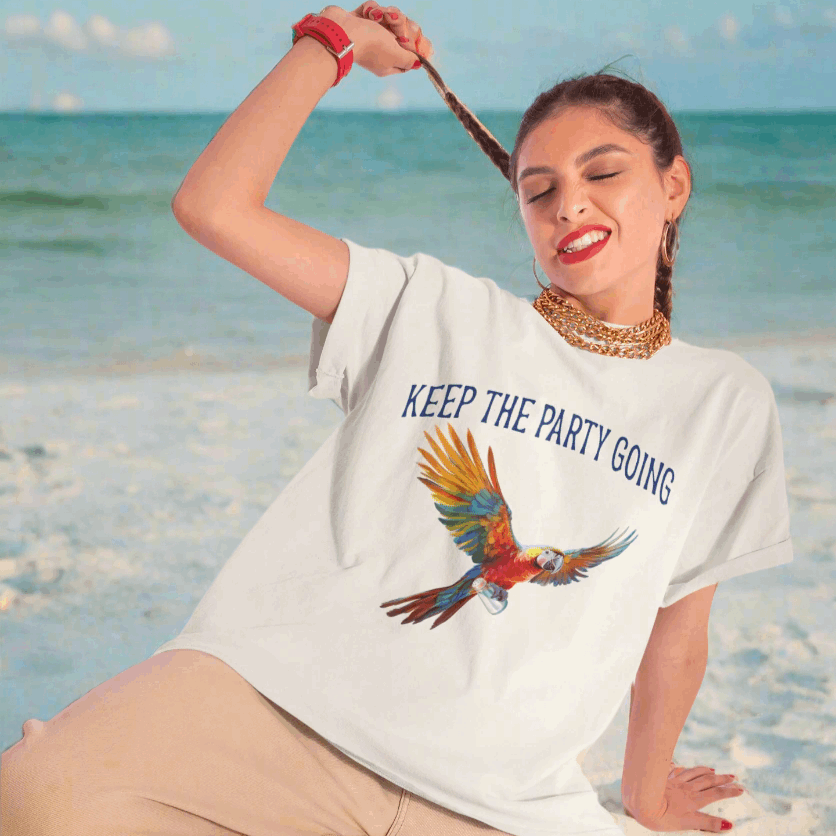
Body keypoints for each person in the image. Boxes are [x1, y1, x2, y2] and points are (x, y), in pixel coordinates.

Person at [1, 3, 793, 835]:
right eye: (539, 188)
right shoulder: (431, 308)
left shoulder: (725, 400)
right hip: (287, 711)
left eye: (604, 173)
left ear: (673, 186)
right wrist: (329, 44)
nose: (568, 206)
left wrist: (643, 791)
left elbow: (676, 627)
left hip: (496, 799)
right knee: (34, 795)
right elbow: (214, 206)